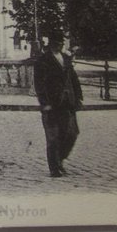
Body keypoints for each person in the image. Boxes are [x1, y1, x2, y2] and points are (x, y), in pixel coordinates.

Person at [33, 34, 84, 178]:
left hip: (67, 103)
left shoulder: (66, 58)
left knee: (72, 134)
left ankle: (59, 159)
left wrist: (78, 97)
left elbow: (73, 79)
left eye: (61, 42)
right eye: (57, 42)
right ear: (51, 43)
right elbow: (39, 84)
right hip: (52, 104)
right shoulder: (42, 60)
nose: (60, 44)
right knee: (53, 137)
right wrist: (44, 103)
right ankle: (54, 168)